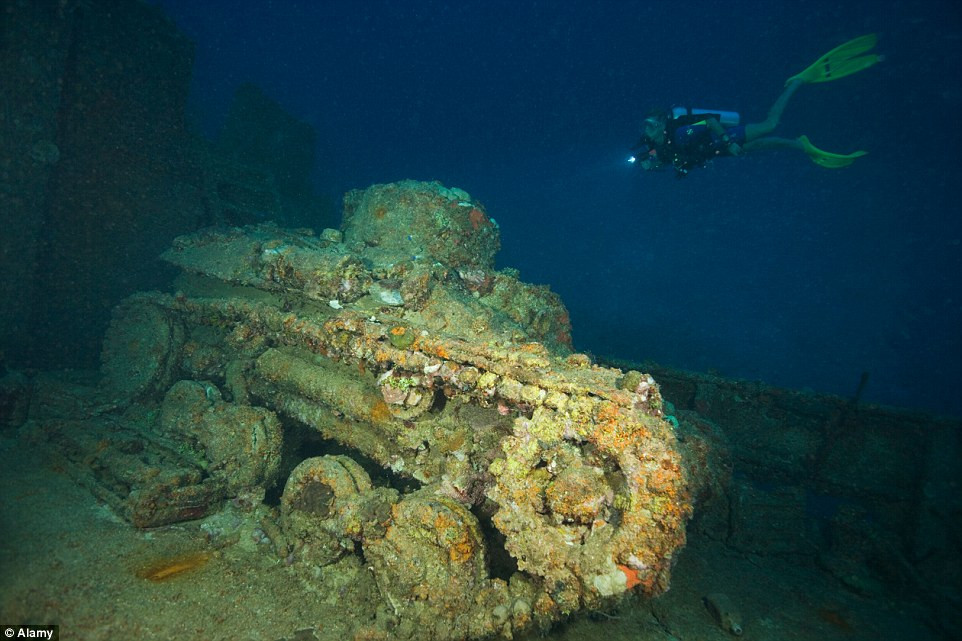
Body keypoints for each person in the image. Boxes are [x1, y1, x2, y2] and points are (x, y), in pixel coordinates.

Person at [634, 34, 881, 177]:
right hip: (718, 150)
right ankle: (801, 146)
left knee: (769, 125)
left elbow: (708, 121)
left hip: (723, 141)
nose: (647, 130)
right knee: (763, 144)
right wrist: (656, 164)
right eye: (645, 126)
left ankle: (796, 82)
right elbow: (677, 159)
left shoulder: (677, 132)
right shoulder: (661, 149)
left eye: (650, 125)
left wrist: (729, 143)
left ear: (660, 124)